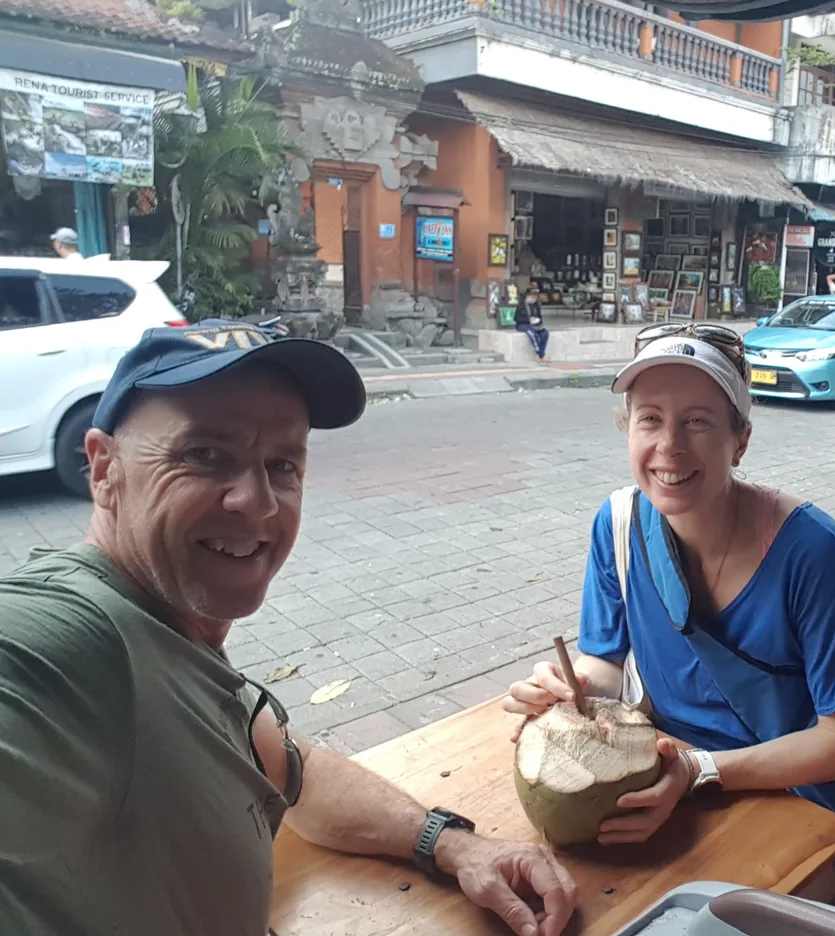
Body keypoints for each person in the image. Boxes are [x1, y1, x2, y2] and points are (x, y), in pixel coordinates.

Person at [0, 319, 576, 936]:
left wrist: (458, 845)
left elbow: (283, 763)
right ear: (104, 468)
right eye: (204, 454)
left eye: (282, 465)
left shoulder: (165, 638)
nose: (258, 501)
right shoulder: (72, 638)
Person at [503, 323, 835, 878]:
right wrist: (576, 689)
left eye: (697, 421)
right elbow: (607, 664)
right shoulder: (616, 525)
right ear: (628, 430)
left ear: (741, 440)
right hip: (667, 775)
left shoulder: (808, 548)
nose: (669, 446)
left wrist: (700, 770)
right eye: (650, 419)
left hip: (793, 793)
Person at [515, 286, 550, 362]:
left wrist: (537, 321)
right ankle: (541, 354)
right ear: (527, 296)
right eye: (532, 296)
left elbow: (540, 318)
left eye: (535, 296)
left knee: (545, 333)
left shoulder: (536, 305)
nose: (534, 298)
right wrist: (528, 320)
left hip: (535, 325)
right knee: (533, 334)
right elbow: (517, 319)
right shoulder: (521, 305)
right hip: (523, 325)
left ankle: (541, 354)